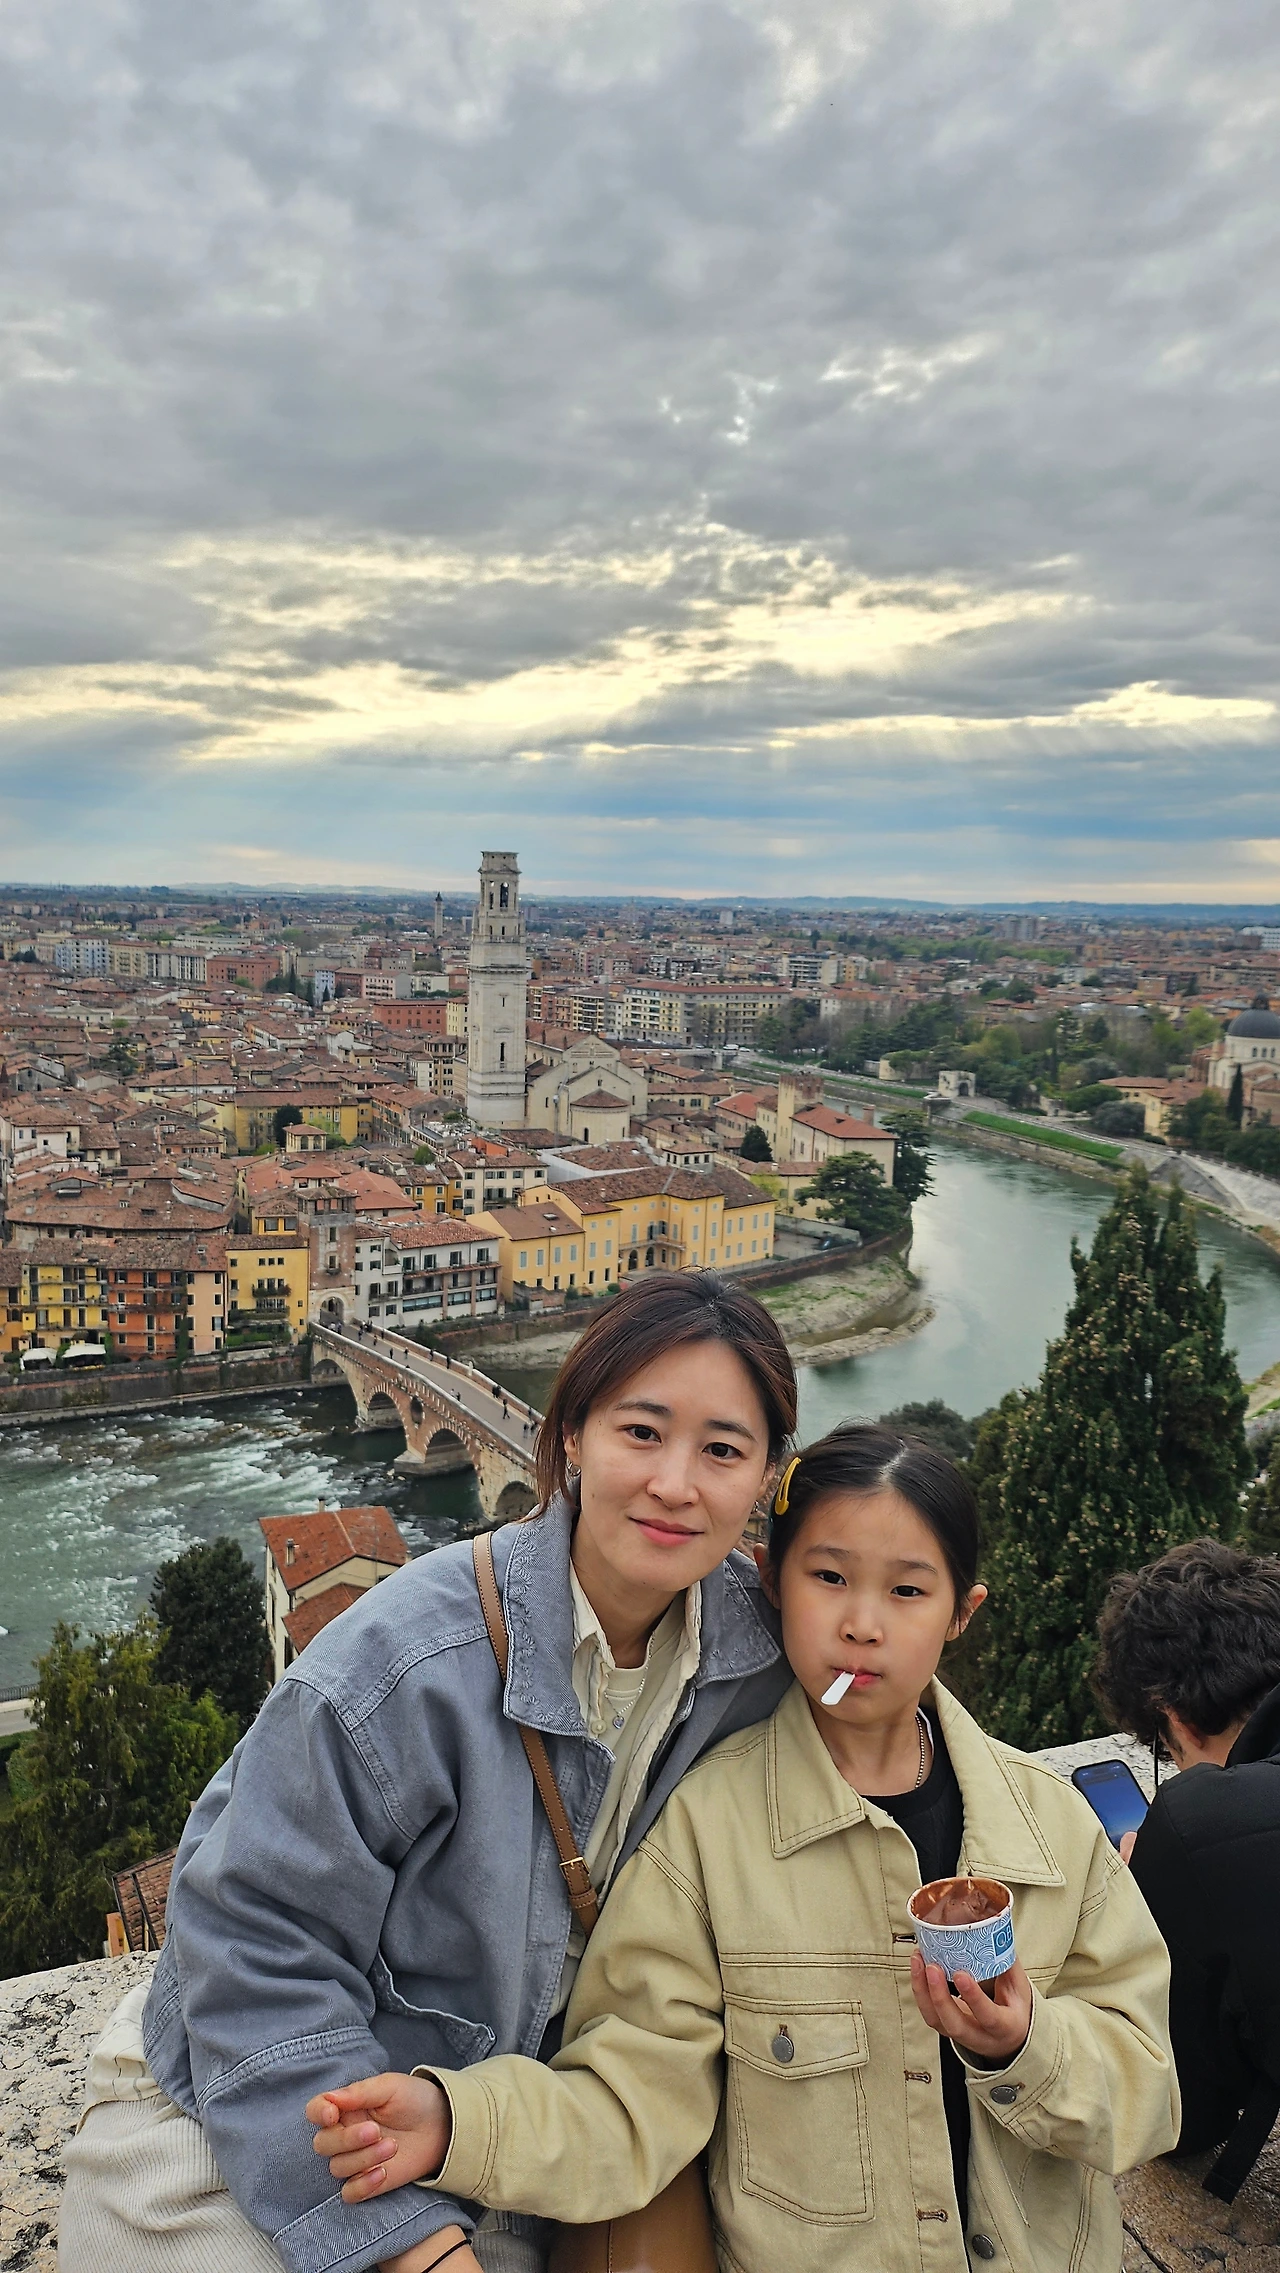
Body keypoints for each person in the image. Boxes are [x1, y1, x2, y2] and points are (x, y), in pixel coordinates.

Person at [58, 1272, 798, 2273]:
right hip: (262, 2099)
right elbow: (255, 1946)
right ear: (572, 1437)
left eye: (722, 1449)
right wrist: (414, 2245)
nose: (676, 1482)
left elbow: (911, 1734)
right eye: (641, 1431)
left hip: (508, 2125)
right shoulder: (401, 1662)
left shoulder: (765, 1653)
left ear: (765, 1478)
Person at [309, 1423, 1178, 2273]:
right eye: (829, 1577)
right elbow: (632, 2092)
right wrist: (455, 2123)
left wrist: (1022, 2044)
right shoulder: (706, 1832)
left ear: (962, 1612)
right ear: (770, 1579)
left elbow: (1152, 2093)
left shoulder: (1050, 1827)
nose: (862, 1624)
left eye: (908, 1591)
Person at [1092, 1537, 1280, 2198]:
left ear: (1174, 1720)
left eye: (1166, 1751)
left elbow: (1182, 2118)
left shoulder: (1201, 1821)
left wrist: (1150, 1903)